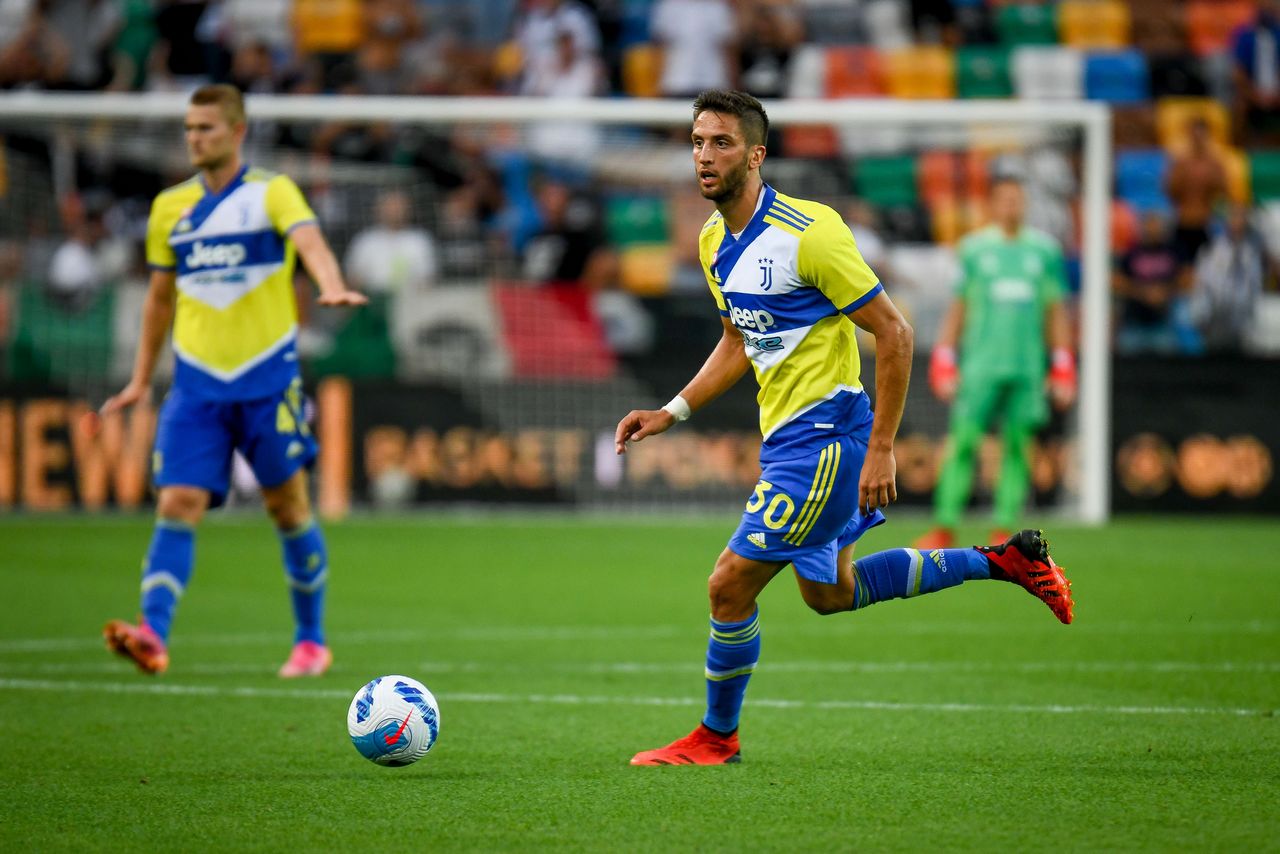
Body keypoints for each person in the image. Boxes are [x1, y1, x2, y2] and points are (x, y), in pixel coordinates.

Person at [614, 90, 1074, 766]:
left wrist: (882, 448)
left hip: (827, 439)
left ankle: (716, 737)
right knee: (831, 593)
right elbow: (739, 339)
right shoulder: (714, 241)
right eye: (697, 142)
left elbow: (895, 333)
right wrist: (672, 410)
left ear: (756, 155)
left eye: (721, 143)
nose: (704, 156)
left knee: (727, 585)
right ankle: (1003, 561)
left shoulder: (810, 232)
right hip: (792, 441)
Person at [100, 84, 366, 677]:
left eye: (207, 128)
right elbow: (160, 299)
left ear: (238, 131)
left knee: (288, 508)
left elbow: (309, 241)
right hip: (196, 385)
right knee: (177, 501)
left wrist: (330, 284)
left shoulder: (272, 192)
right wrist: (141, 379)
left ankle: (311, 641)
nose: (195, 138)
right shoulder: (169, 207)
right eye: (189, 129)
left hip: (268, 381)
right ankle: (152, 634)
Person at [915, 178, 1077, 550]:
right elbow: (959, 306)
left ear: (1025, 203)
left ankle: (1003, 527)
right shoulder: (974, 250)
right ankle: (944, 526)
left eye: (1017, 199)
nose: (1011, 206)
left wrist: (1062, 363)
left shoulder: (1044, 251)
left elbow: (1055, 310)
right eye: (1004, 199)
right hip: (980, 365)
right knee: (963, 443)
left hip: (1027, 366)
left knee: (1018, 447)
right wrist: (944, 357)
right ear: (992, 204)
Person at [1165, 117, 1227, 273]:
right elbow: (1171, 190)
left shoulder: (1214, 163)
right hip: (1183, 221)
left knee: (1208, 268)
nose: (1198, 139)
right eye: (1195, 135)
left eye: (1201, 135)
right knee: (1181, 268)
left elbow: (1222, 192)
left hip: (1206, 222)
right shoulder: (1180, 162)